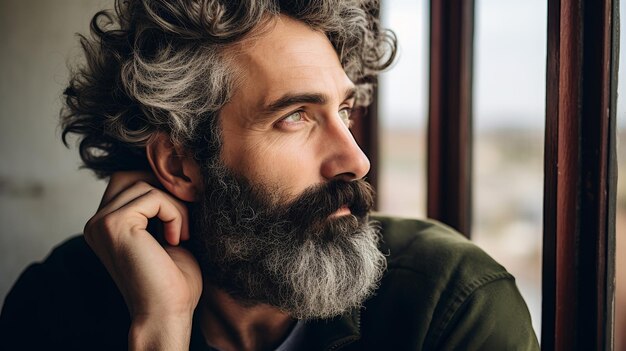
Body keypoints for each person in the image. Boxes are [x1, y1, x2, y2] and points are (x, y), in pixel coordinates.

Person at [0, 0, 539, 350]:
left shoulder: (449, 307)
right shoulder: (54, 308)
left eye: (344, 112)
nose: (356, 160)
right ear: (180, 164)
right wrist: (161, 330)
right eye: (295, 117)